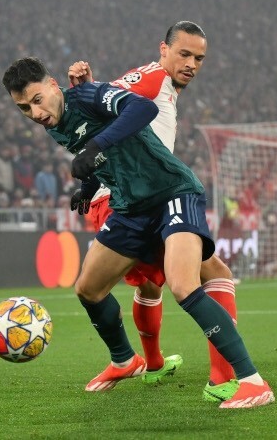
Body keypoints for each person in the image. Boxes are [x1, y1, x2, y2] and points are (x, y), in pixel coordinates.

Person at [2, 56, 274, 409]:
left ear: (54, 85)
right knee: (89, 289)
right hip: (130, 207)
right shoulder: (53, 124)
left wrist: (96, 148)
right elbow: (110, 155)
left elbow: (141, 110)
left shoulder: (88, 96)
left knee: (183, 285)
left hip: (171, 193)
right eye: (24, 108)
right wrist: (90, 184)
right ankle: (125, 360)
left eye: (37, 100)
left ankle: (252, 381)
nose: (35, 113)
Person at [67, 21, 242, 402]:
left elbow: (107, 106)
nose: (192, 64)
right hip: (127, 200)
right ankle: (224, 378)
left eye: (199, 58)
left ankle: (149, 363)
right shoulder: (152, 77)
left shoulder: (163, 85)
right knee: (214, 275)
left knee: (148, 284)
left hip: (121, 197)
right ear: (163, 50)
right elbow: (112, 104)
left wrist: (92, 88)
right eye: (184, 54)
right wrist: (91, 91)